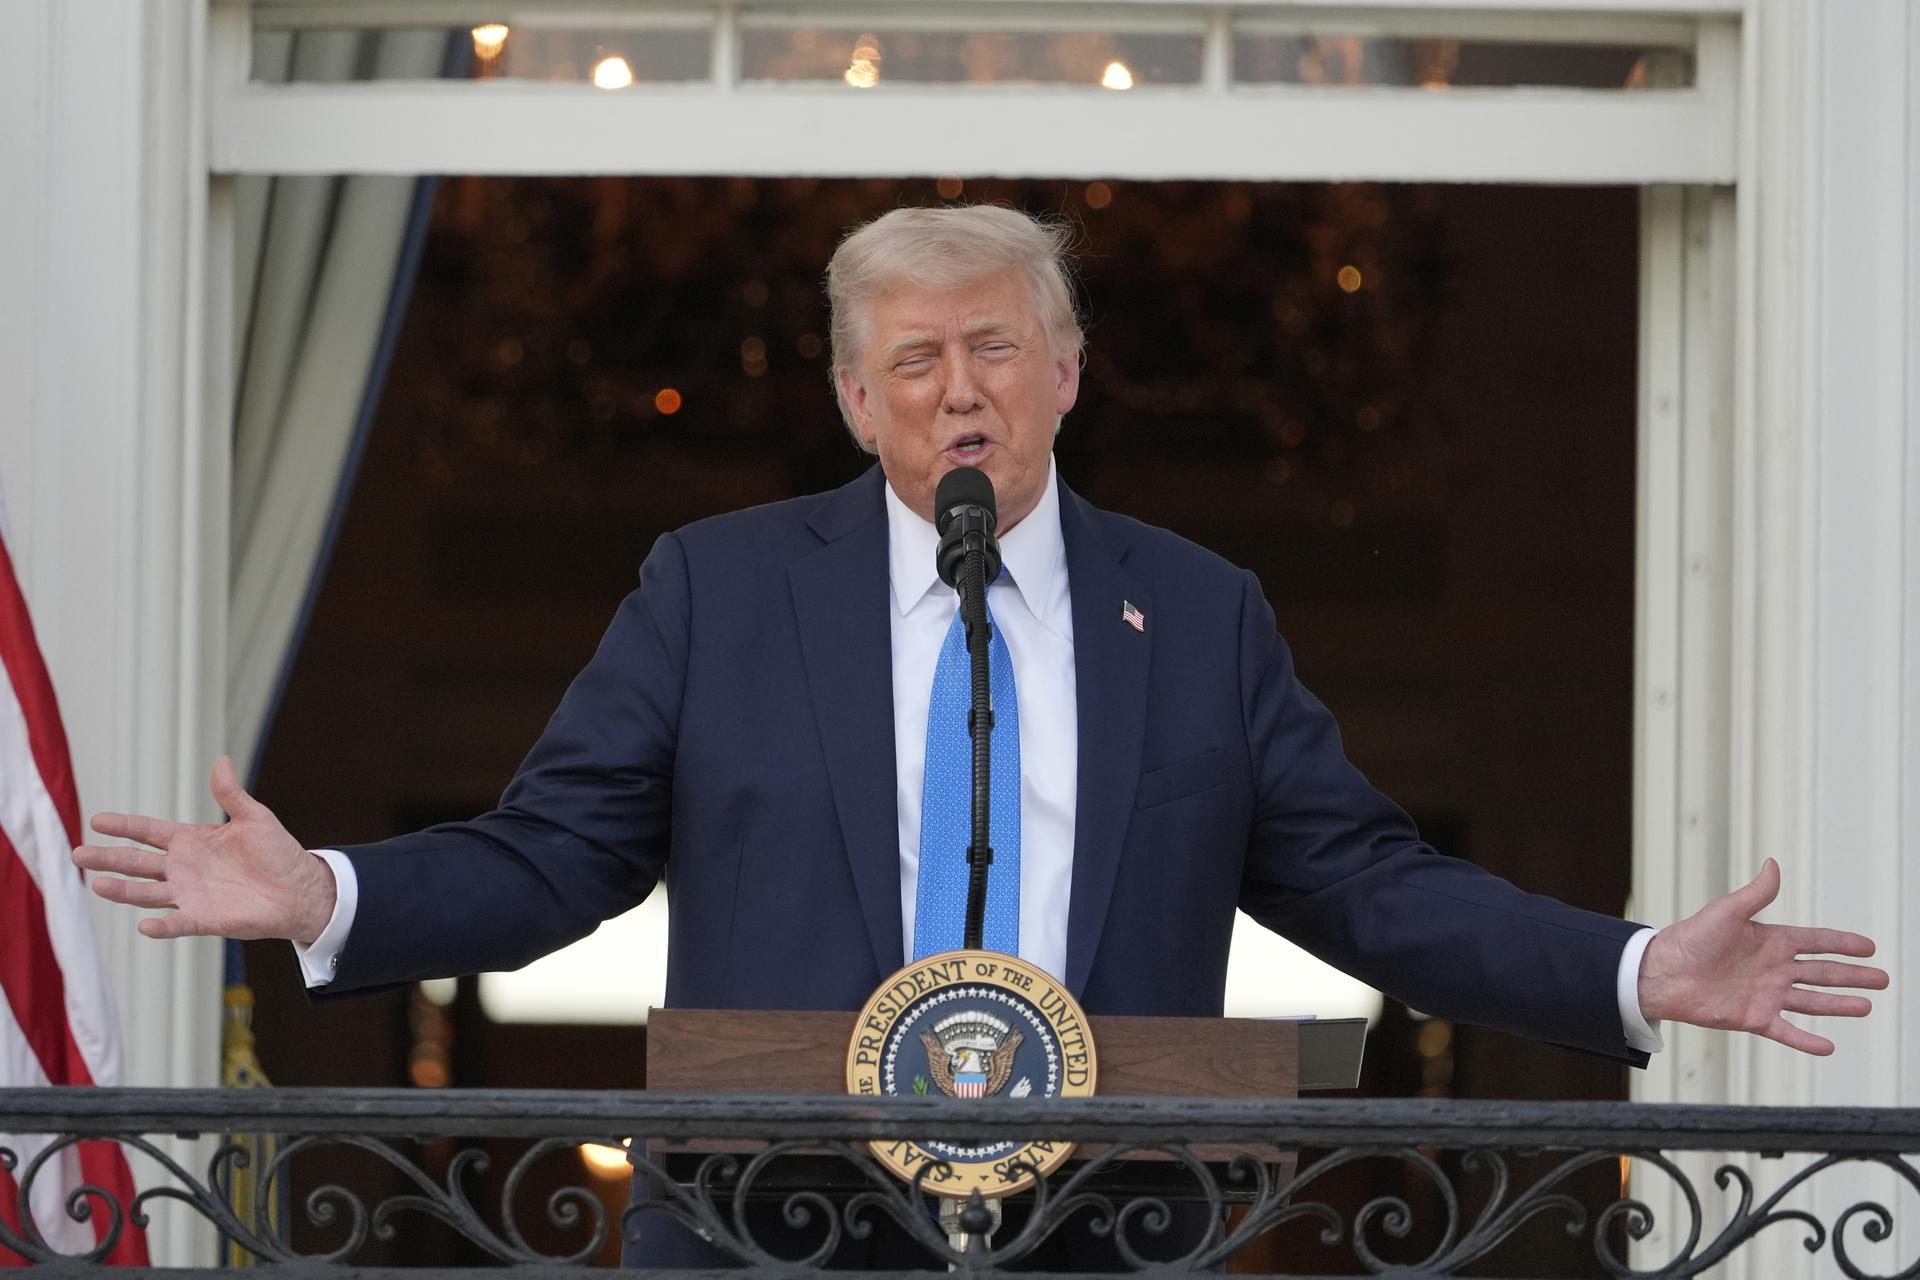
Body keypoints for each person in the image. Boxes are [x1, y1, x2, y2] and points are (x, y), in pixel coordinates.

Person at [75, 205, 1886, 1263]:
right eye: (919, 360)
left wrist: (1642, 969)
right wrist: (325, 893)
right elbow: (554, 853)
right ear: (857, 396)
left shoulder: (1198, 610)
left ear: (1071, 374)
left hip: (1109, 1227)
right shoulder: (717, 590)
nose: (961, 390)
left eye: (998, 350)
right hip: (765, 1221)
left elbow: (1365, 883)